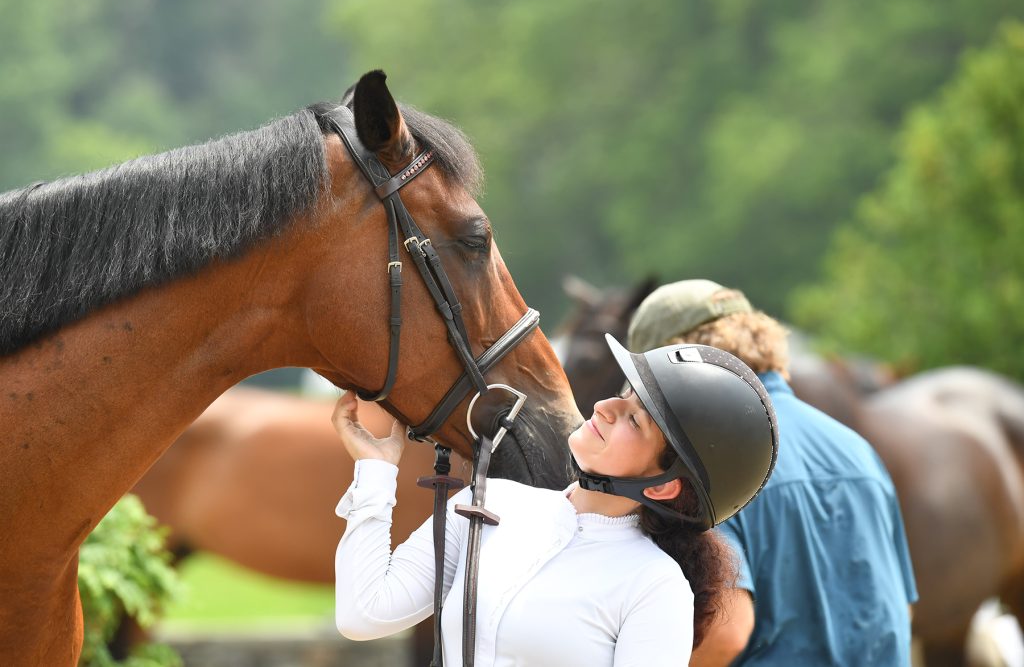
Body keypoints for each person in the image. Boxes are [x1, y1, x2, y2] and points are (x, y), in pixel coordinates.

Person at [332, 334, 779, 666]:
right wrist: (376, 471)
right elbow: (364, 612)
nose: (604, 406)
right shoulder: (487, 504)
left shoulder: (656, 588)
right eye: (623, 396)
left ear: (662, 485)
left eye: (634, 421)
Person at [627, 279, 918, 666]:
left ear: (678, 361)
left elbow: (725, 637)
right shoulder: (858, 450)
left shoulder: (715, 459)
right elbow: (902, 608)